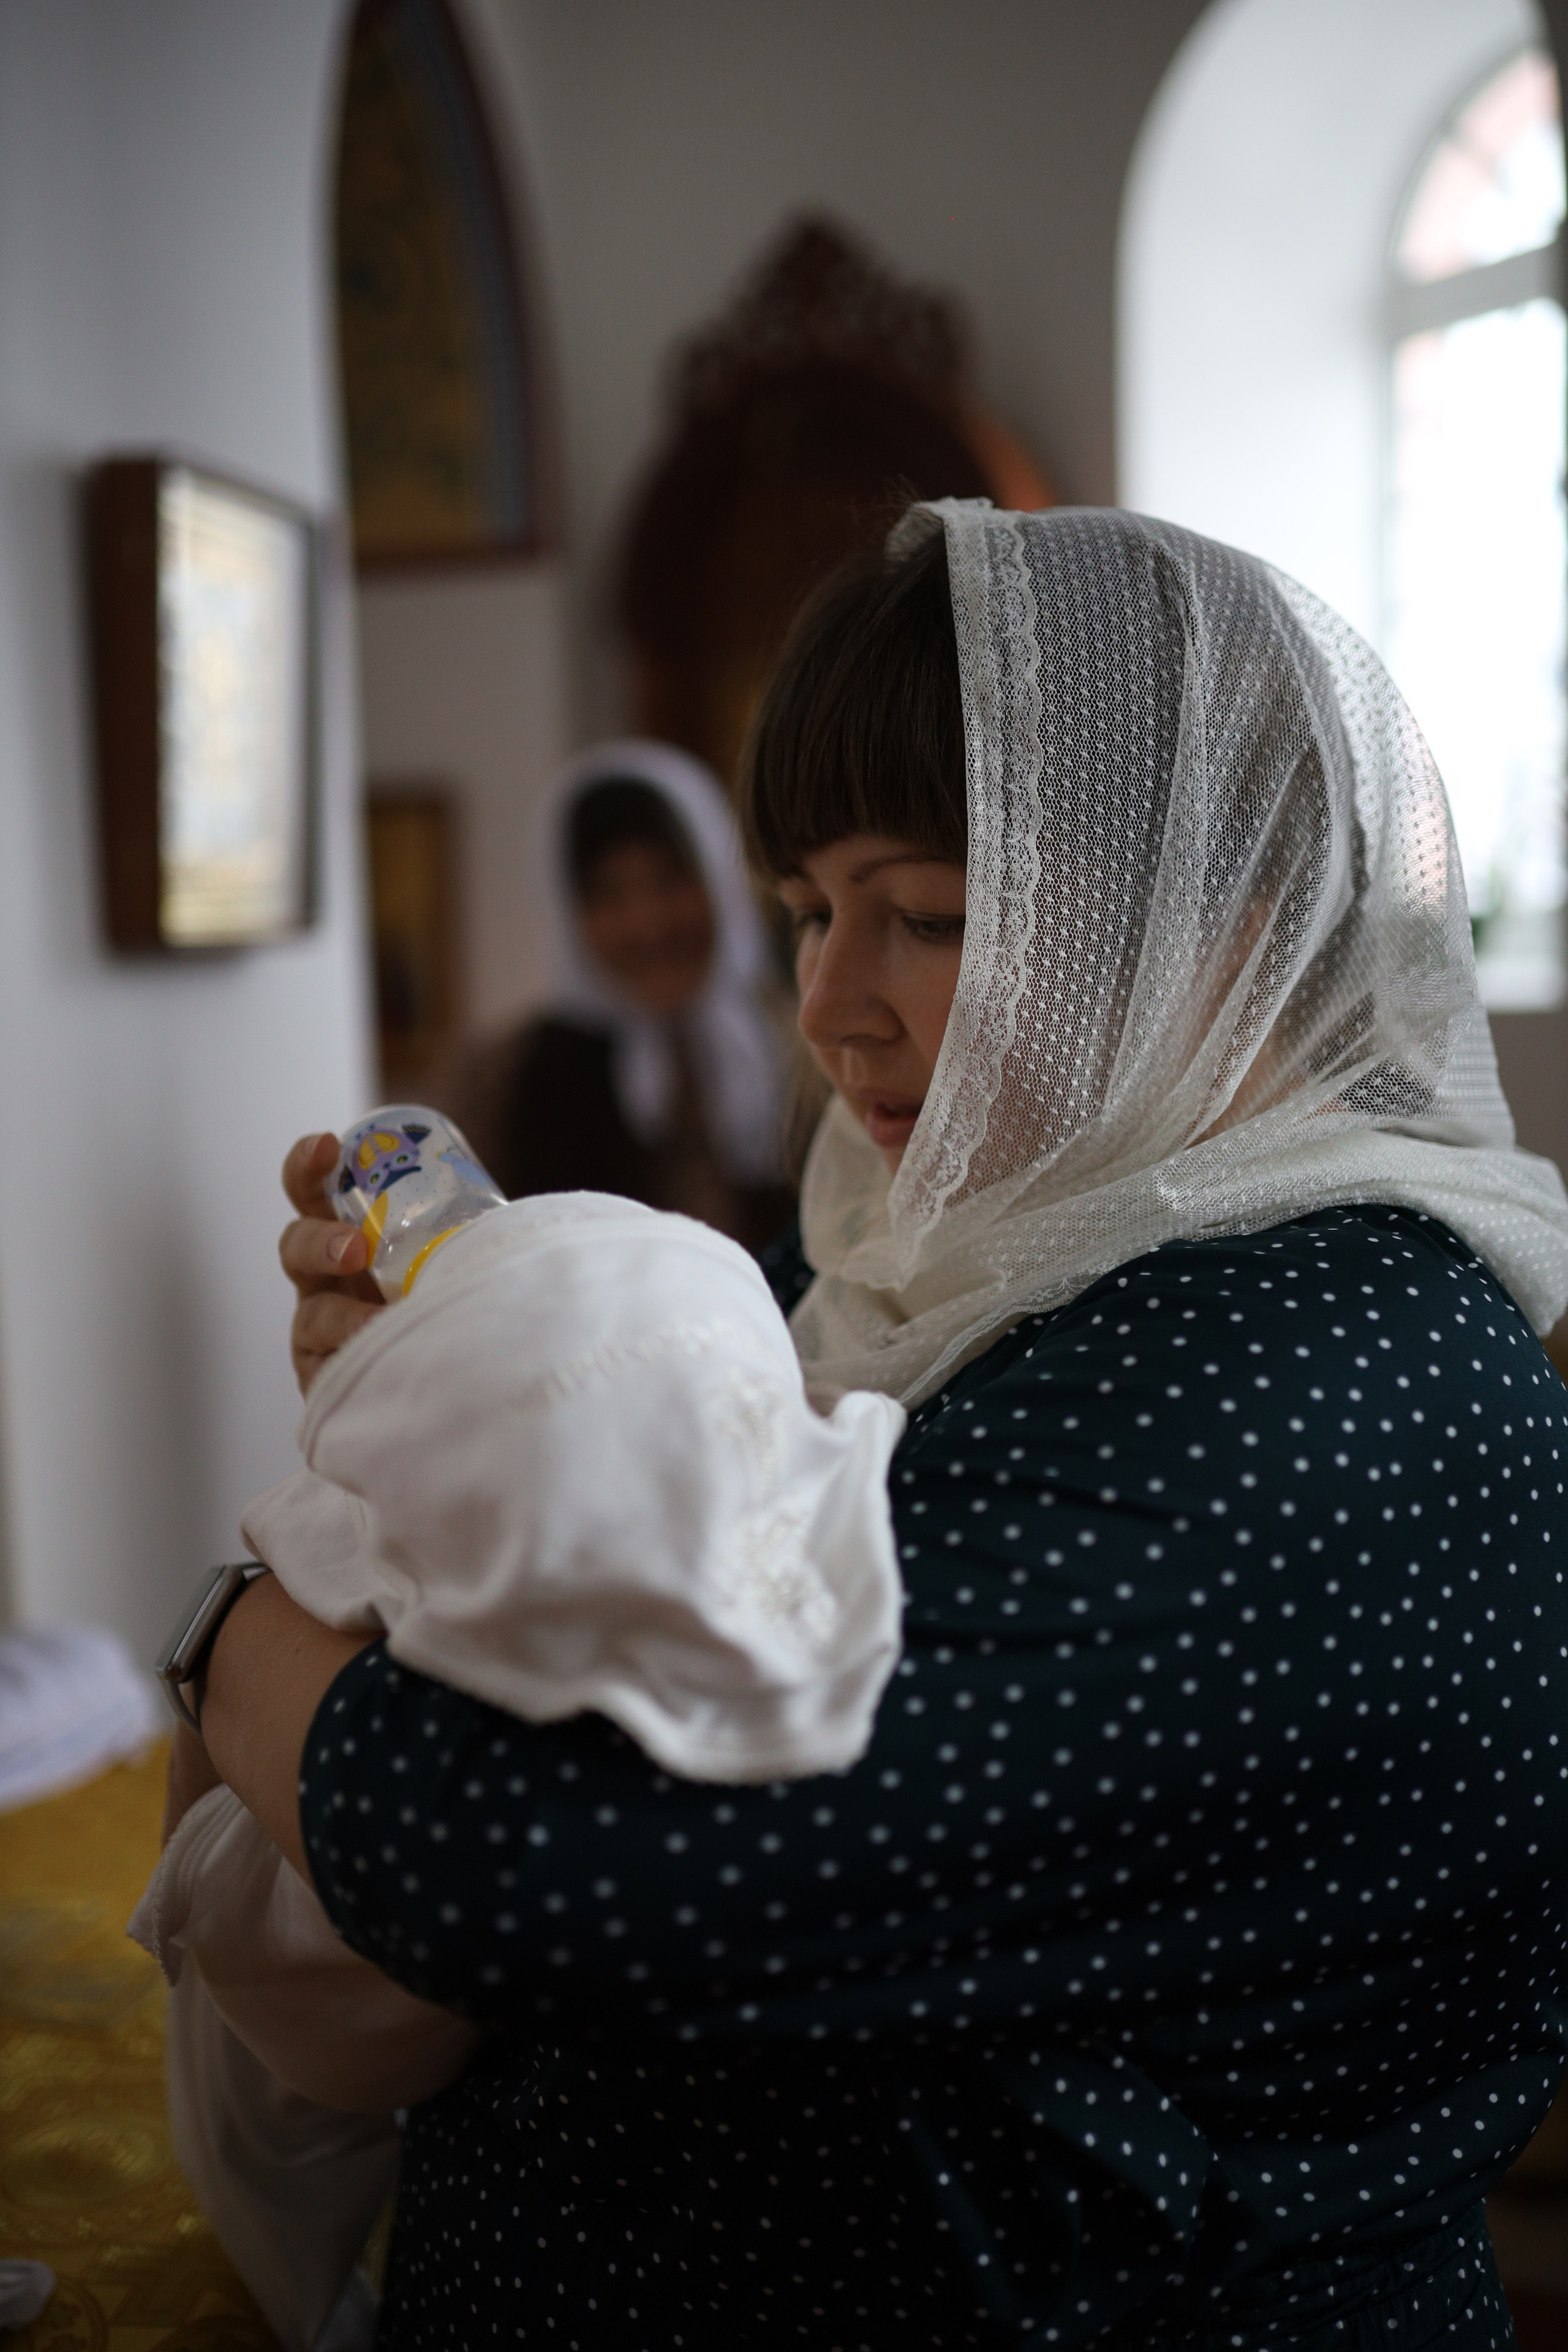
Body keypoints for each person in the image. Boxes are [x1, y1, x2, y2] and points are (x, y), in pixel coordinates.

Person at [183, 503, 1568, 2348]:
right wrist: (466, 1376)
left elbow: (538, 1866)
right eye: (810, 908)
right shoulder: (925, 1256)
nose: (827, 1003)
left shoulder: (1305, 1375)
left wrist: (220, 1637)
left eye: (921, 912)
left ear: (1217, 916)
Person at [430, 739, 795, 1253]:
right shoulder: (503, 1079)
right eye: (609, 894)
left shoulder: (814, 1048)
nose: (648, 924)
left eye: (670, 880)